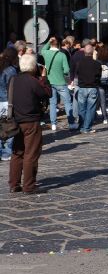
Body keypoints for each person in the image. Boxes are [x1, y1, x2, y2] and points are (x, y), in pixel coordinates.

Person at [8, 54, 51, 194]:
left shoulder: (13, 79)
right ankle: (29, 185)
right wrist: (44, 77)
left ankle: (14, 184)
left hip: (15, 121)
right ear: (34, 67)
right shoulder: (34, 81)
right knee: (31, 154)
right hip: (31, 121)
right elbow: (47, 93)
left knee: (17, 153)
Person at [41, 37, 78, 131]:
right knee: (67, 102)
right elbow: (66, 70)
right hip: (61, 82)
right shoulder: (62, 55)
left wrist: (49, 42)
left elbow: (43, 49)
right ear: (58, 45)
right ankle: (71, 123)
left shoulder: (46, 53)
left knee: (52, 103)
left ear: (51, 44)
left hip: (50, 82)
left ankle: (53, 124)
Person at [76, 45, 102, 133]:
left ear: (84, 52)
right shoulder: (97, 64)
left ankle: (82, 126)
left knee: (82, 108)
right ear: (92, 52)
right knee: (91, 108)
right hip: (92, 87)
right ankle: (87, 127)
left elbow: (77, 73)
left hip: (82, 87)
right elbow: (99, 76)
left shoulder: (79, 63)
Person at [0, 47, 18, 161]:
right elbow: (14, 88)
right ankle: (6, 152)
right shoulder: (11, 70)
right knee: (9, 126)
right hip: (7, 101)